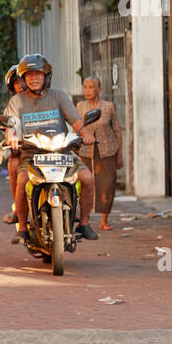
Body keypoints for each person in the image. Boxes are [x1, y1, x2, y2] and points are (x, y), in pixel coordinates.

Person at [3, 53, 98, 243]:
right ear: (23, 78)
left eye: (38, 74)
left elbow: (76, 120)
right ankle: (22, 228)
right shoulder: (17, 102)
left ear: (47, 77)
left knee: (87, 178)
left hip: (61, 152)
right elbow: (10, 126)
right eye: (29, 75)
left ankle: (84, 223)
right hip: (31, 155)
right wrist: (12, 137)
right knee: (22, 182)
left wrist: (85, 133)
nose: (34, 78)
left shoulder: (58, 96)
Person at [76, 76, 123, 232]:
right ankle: (85, 220)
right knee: (85, 185)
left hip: (107, 150)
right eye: (85, 87)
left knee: (107, 185)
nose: (87, 90)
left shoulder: (108, 107)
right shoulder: (80, 106)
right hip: (85, 151)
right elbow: (76, 129)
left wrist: (120, 154)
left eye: (91, 87)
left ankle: (104, 220)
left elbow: (117, 130)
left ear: (99, 90)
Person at [1, 64, 25, 225]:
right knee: (13, 165)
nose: (21, 85)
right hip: (25, 149)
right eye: (17, 82)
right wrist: (12, 140)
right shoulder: (13, 104)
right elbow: (8, 129)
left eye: (23, 81)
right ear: (12, 86)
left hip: (50, 147)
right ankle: (18, 208)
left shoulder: (48, 98)